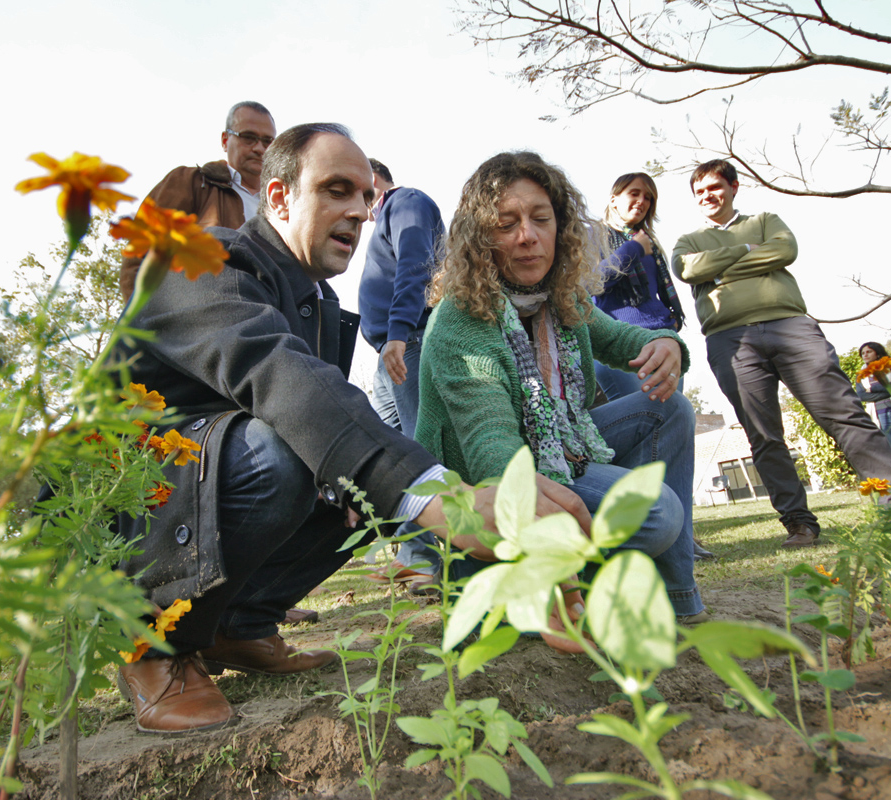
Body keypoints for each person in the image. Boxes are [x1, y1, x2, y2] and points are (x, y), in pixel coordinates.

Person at [112, 125, 591, 733]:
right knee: (301, 451)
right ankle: (152, 644)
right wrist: (446, 498)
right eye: (336, 190)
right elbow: (277, 376)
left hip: (198, 488)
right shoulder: (198, 259)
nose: (360, 212)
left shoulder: (319, 309)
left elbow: (327, 416)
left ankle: (240, 625)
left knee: (356, 490)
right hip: (123, 505)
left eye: (365, 196)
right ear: (280, 197)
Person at [415, 150, 706, 643]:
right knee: (657, 513)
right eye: (505, 224)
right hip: (479, 486)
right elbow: (491, 446)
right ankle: (554, 591)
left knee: (669, 407)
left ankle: (676, 597)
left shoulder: (561, 298)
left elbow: (621, 339)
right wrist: (536, 510)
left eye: (541, 219)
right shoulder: (459, 320)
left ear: (561, 228)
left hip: (555, 448)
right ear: (480, 240)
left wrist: (664, 343)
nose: (527, 236)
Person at [671, 159, 891, 549]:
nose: (707, 196)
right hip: (731, 339)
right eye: (700, 192)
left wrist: (723, 268)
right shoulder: (689, 240)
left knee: (843, 412)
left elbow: (785, 250)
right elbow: (688, 269)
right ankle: (799, 523)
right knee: (763, 434)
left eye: (714, 187)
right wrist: (749, 253)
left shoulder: (765, 220)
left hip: (790, 325)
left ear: (733, 187)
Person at [357, 159, 446, 589]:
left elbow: (416, 265)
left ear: (372, 179)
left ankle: (424, 561)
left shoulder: (405, 202)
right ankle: (411, 550)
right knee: (389, 453)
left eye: (355, 188)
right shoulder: (383, 218)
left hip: (407, 342)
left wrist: (398, 330)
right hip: (389, 349)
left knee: (416, 447)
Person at [119, 101, 277, 300]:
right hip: (204, 317)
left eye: (268, 141)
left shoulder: (283, 206)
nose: (259, 148)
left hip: (274, 320)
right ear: (225, 140)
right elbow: (141, 252)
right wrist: (144, 321)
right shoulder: (191, 183)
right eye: (248, 137)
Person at [592, 172, 687, 400]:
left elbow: (660, 290)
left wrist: (671, 319)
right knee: (641, 414)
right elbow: (591, 283)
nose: (642, 201)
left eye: (648, 198)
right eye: (634, 193)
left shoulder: (649, 242)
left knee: (671, 413)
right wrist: (633, 250)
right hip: (619, 342)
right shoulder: (592, 235)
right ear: (613, 199)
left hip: (663, 338)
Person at [853, 341, 891, 476]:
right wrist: (888, 388)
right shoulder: (861, 374)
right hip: (880, 414)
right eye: (863, 353)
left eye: (868, 352)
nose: (865, 355)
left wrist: (872, 389)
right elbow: (861, 395)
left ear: (877, 352)